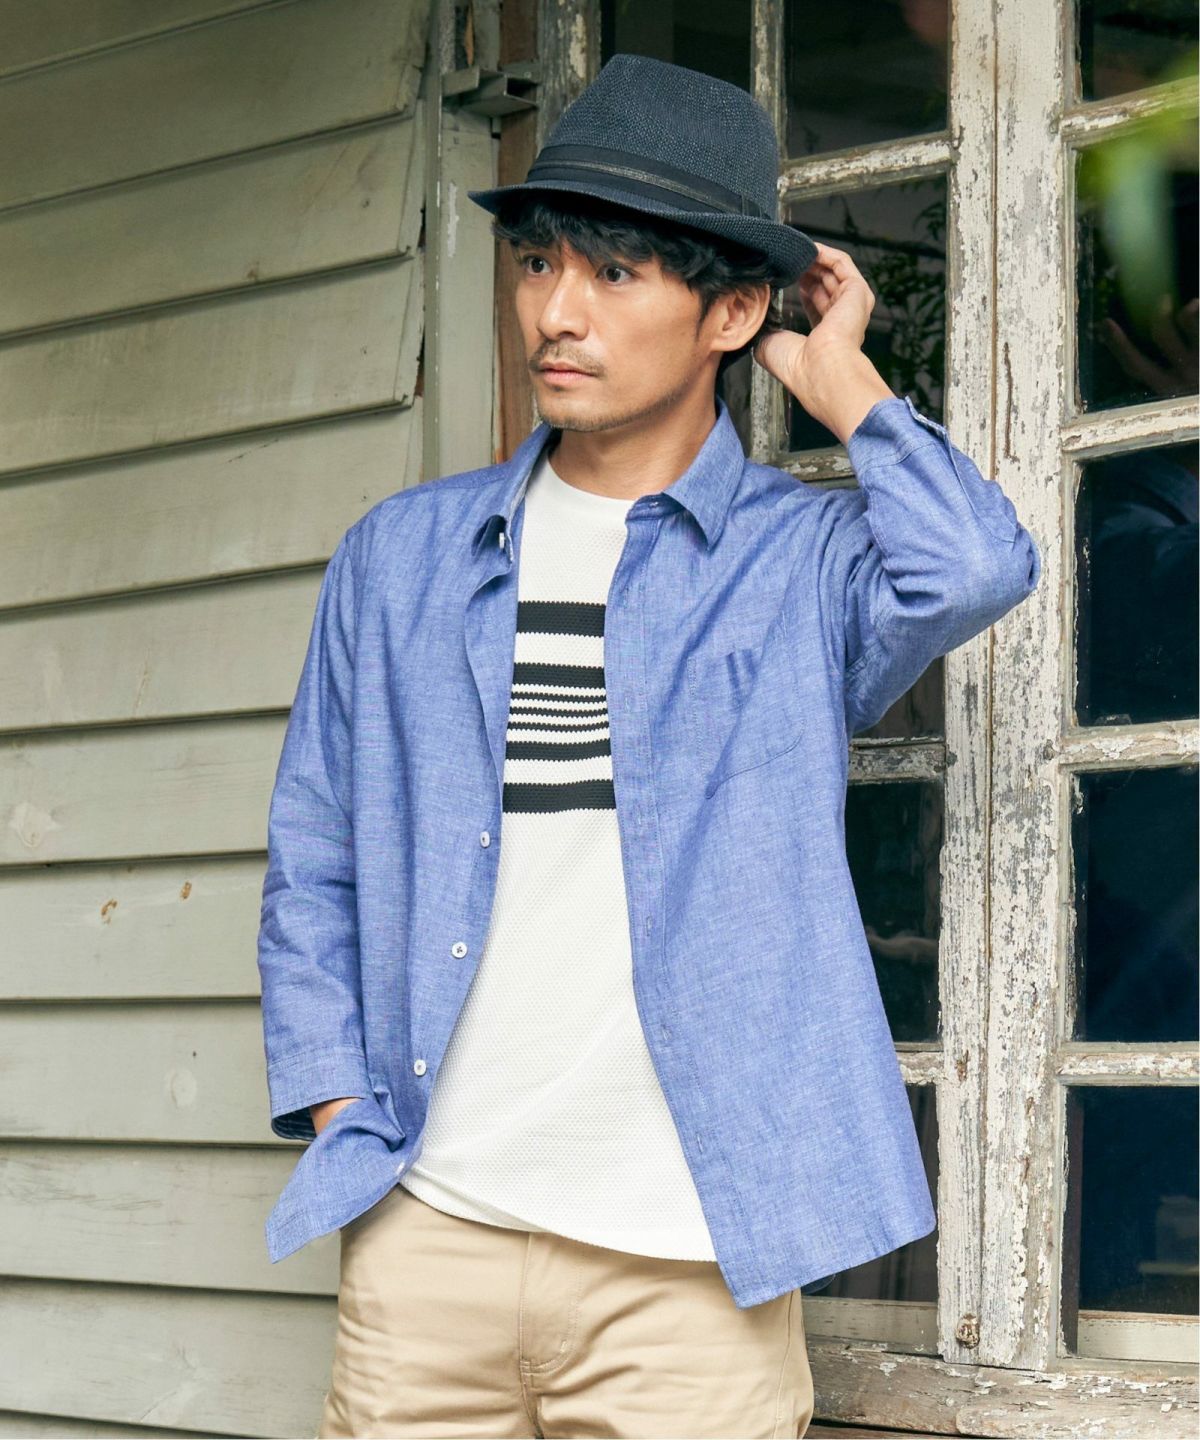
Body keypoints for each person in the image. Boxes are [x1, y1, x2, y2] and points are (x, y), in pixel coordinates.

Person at [256, 53, 1042, 1439]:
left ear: (730, 310)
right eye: (540, 262)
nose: (556, 311)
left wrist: (844, 383)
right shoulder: (401, 560)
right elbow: (314, 856)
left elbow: (973, 567)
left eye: (614, 274)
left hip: (688, 1271)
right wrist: (335, 1109)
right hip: (429, 1241)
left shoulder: (799, 564)